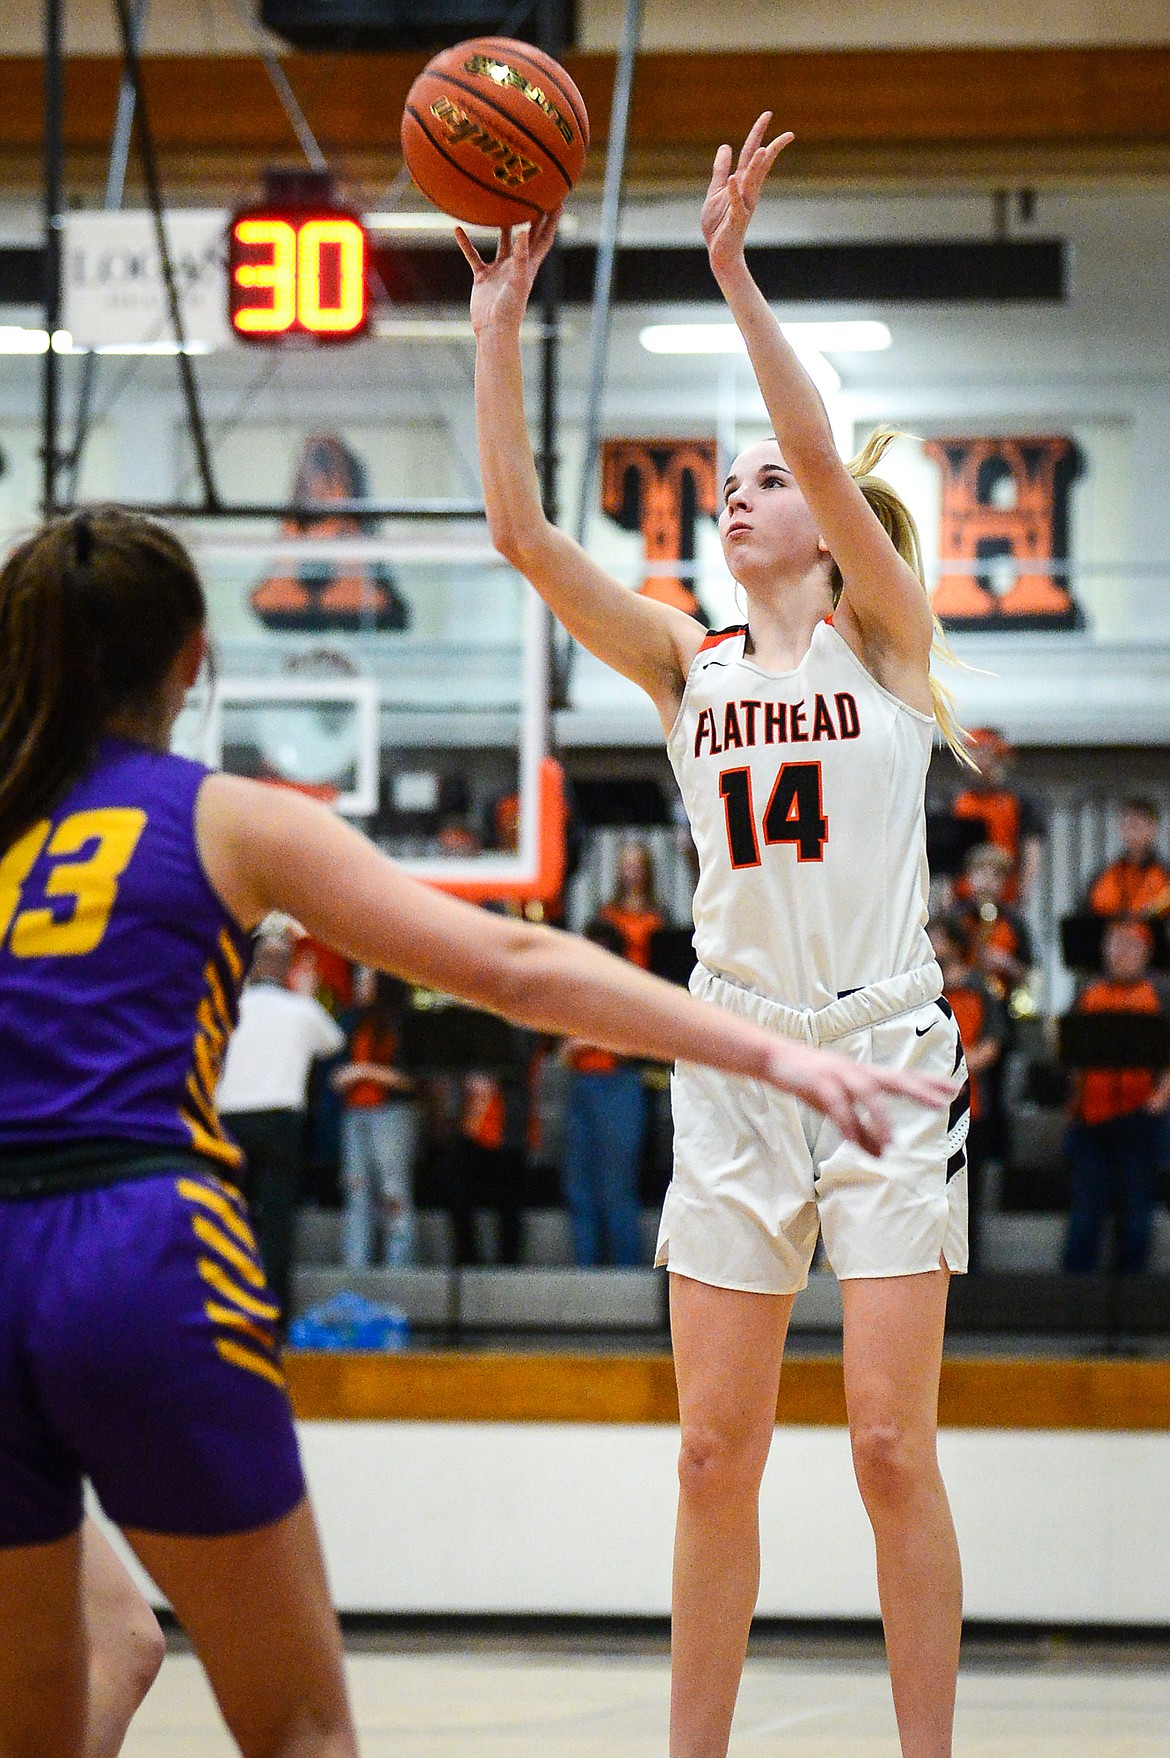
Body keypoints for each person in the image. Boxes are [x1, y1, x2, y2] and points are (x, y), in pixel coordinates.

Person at [0, 508, 951, 1758]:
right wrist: (769, 1052)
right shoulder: (227, 817)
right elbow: (510, 960)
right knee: (287, 1721)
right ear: (194, 660)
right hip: (136, 1244)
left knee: (95, 1662)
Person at [460, 113, 971, 1758]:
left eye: (768, 482)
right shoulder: (689, 665)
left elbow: (824, 458)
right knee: (711, 1451)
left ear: (832, 531)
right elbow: (527, 540)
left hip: (888, 1052)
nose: (743, 495)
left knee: (890, 1440)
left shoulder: (892, 644)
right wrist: (493, 335)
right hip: (734, 1050)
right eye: (731, 480)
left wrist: (735, 272)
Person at [216, 926, 345, 1324]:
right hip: (280, 1120)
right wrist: (306, 998)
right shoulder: (301, 1010)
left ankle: (224, 1305)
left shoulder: (227, 1006)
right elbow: (333, 1043)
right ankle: (272, 1316)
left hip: (228, 1118)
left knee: (228, 1218)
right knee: (276, 1222)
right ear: (287, 968)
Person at [1062, 918, 1170, 1275]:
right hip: (1091, 1118)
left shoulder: (1159, 993)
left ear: (1146, 952)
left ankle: (1130, 1308)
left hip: (1141, 1118)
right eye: (1113, 945)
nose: (1119, 953)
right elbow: (1072, 1051)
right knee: (1083, 1222)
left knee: (1137, 1221)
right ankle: (1076, 1310)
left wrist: (1162, 1095)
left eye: (1129, 945)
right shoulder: (1088, 991)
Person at [560, 917, 649, 1266]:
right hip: (581, 1085)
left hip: (619, 1086)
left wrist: (588, 1039)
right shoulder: (575, 992)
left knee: (617, 1187)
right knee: (579, 1187)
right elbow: (564, 1048)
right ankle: (587, 1275)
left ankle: (625, 1278)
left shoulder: (629, 990)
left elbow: (636, 1045)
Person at [928, 914, 1007, 1273]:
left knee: (966, 1195)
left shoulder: (981, 989)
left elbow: (992, 1045)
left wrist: (952, 1066)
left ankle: (965, 1271)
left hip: (969, 1105)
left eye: (938, 939)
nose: (932, 946)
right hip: (925, 1106)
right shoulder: (923, 987)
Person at [334, 968, 419, 1269]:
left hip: (392, 1114)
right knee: (356, 1190)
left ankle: (400, 1270)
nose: (359, 983)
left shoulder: (403, 1023)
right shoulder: (354, 1022)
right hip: (355, 1111)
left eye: (366, 977)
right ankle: (356, 1269)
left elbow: (414, 1079)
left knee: (393, 1192)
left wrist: (365, 1072)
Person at [950, 725, 1045, 905]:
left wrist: (1023, 891)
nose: (975, 759)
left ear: (998, 756)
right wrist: (947, 890)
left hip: (1005, 896)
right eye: (971, 753)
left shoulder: (1020, 798)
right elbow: (949, 850)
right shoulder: (958, 799)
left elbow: (1031, 848)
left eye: (980, 752)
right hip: (964, 897)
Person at [1086, 797, 1170, 921]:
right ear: (1122, 829)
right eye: (1131, 825)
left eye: (1141, 826)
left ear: (1154, 828)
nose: (1135, 833)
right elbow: (1092, 912)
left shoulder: (1164, 875)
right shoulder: (1106, 875)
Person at [598, 837, 665, 970]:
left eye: (638, 867)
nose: (632, 874)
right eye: (628, 867)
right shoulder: (608, 913)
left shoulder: (658, 915)